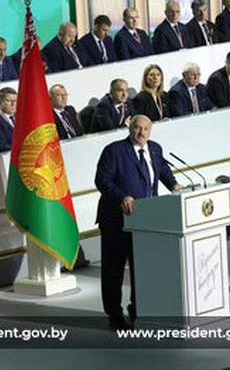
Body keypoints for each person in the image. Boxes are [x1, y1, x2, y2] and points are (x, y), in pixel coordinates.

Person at [95, 115, 181, 330]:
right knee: (114, 270)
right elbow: (102, 180)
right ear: (130, 128)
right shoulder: (114, 151)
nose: (141, 133)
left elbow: (162, 171)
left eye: (145, 129)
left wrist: (174, 185)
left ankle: (138, 309)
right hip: (117, 220)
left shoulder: (155, 149)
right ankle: (114, 315)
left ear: (151, 131)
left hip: (146, 220)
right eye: (137, 128)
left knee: (141, 268)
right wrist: (122, 197)